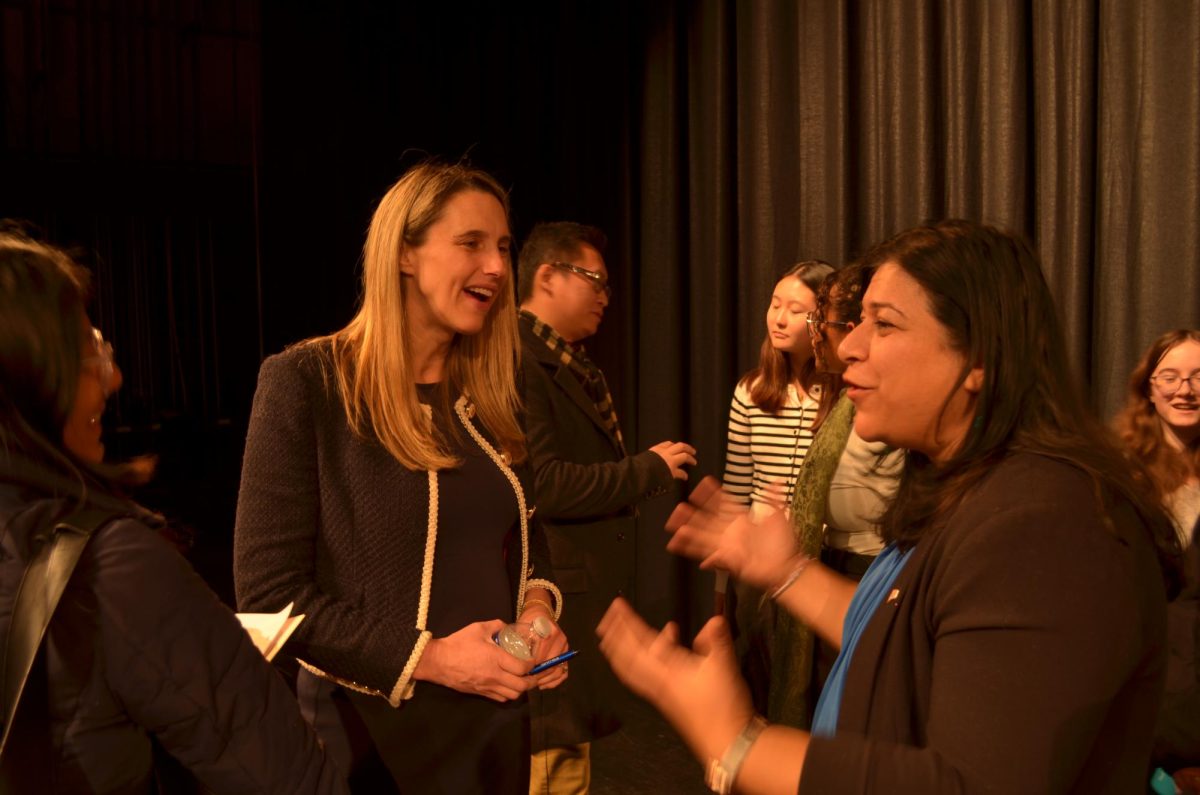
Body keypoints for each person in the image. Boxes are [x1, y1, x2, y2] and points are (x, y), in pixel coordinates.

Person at [598, 219, 1182, 794]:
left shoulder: (1045, 524)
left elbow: (965, 785)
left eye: (884, 324)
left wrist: (736, 742)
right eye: (856, 323)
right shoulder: (978, 486)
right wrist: (787, 572)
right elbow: (907, 633)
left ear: (979, 356)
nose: (848, 346)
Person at [233, 162, 568, 794]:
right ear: (406, 254)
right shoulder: (307, 383)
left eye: (502, 247)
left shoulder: (490, 395)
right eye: (470, 243)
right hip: (367, 740)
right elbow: (268, 596)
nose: (497, 266)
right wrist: (436, 660)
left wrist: (537, 614)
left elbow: (528, 542)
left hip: (493, 729)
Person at [0, 228, 346, 794]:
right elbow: (284, 776)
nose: (113, 378)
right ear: (28, 378)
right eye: (87, 352)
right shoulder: (110, 567)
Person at [516, 221, 696, 793]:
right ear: (547, 276)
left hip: (579, 591)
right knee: (553, 755)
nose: (604, 296)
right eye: (594, 280)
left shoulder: (566, 361)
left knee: (571, 755)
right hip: (549, 594)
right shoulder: (521, 360)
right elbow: (544, 485)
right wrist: (646, 469)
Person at [765, 262, 903, 729]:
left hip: (869, 570)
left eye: (815, 322)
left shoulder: (886, 404)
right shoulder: (846, 398)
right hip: (834, 564)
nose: (817, 336)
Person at [716, 259, 834, 715]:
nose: (779, 318)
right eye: (775, 304)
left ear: (822, 320)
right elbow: (735, 491)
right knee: (760, 687)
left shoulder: (845, 394)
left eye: (797, 309)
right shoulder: (752, 391)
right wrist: (721, 590)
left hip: (821, 561)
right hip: (757, 568)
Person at [1114, 330, 1200, 778]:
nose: (1185, 389)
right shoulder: (1119, 472)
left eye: (1198, 376)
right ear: (1149, 388)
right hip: (1142, 686)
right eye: (1170, 376)